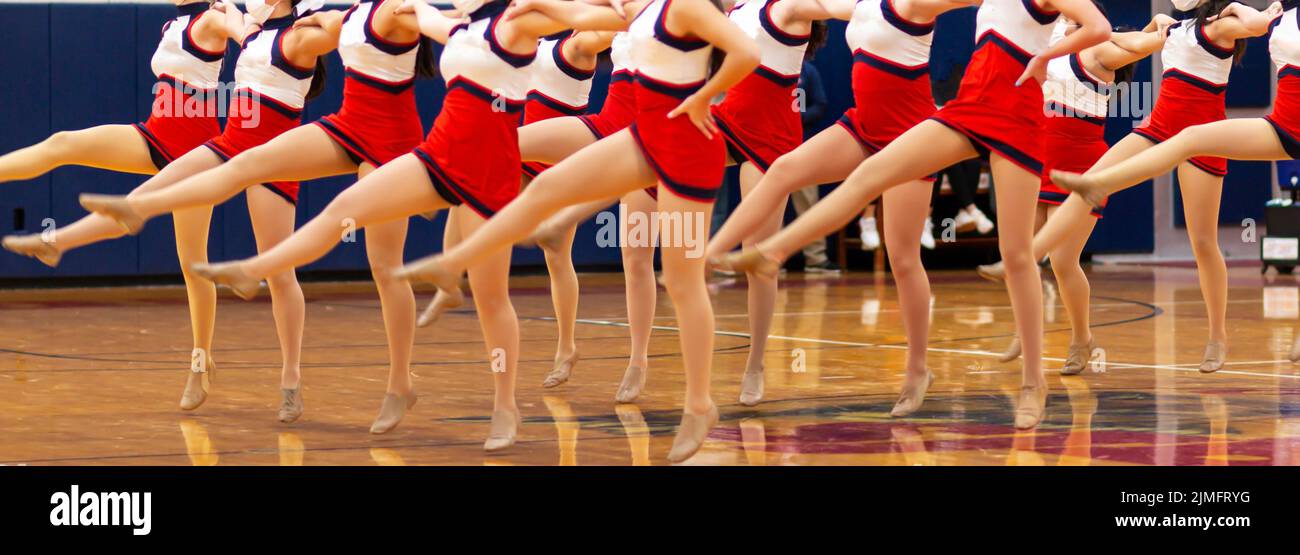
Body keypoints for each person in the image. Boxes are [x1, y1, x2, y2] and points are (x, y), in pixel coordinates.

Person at [393, 0, 761, 462]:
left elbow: (746, 52)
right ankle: (454, 264)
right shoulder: (643, 10)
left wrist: (707, 96)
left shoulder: (687, 6)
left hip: (688, 147)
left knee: (683, 281)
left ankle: (700, 404)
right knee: (545, 184)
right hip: (643, 136)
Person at [718, 0, 1112, 428]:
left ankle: (1032, 382)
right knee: (852, 175)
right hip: (963, 110)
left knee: (1012, 256)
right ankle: (770, 251)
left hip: (1014, 120)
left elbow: (1100, 27)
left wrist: (1046, 56)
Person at [5, 0, 333, 422]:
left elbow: (259, 31)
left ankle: (261, 372)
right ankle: (57, 240)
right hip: (182, 140)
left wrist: (255, 22)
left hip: (243, 152)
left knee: (231, 267)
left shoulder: (231, 20)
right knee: (68, 147)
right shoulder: (181, 22)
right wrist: (252, 22)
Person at [1010, 0, 1280, 373]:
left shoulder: (1219, 27)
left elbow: (1255, 27)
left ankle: (1217, 335)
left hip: (1204, 136)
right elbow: (1137, 44)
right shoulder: (1178, 29)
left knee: (1202, 241)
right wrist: (1153, 28)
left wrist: (1241, 8)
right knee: (1091, 182)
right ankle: (1027, 258)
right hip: (1159, 127)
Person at [978, 9, 1178, 369]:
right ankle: (1025, 331)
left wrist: (1160, 30)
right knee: (1020, 255)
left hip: (1083, 165)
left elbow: (1137, 45)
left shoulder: (1099, 51)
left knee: (1063, 260)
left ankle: (1081, 337)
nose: (1062, 19)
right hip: (1037, 159)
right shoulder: (1044, 45)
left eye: (1070, 17)